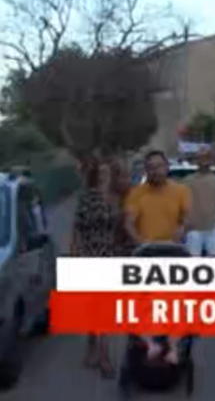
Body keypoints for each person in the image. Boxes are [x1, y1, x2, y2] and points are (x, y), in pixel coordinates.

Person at [70, 159, 120, 377]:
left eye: (107, 172)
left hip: (109, 255)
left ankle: (101, 354)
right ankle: (97, 351)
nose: (104, 176)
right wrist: (74, 254)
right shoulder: (87, 198)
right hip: (89, 254)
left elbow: (118, 229)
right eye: (100, 172)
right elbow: (76, 227)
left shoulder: (114, 198)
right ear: (95, 175)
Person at [122, 150, 192, 245]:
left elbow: (187, 219)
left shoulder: (181, 191)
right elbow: (128, 224)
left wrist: (182, 229)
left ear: (167, 167)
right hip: (146, 247)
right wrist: (140, 241)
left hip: (172, 246)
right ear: (146, 171)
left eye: (159, 166)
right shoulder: (136, 193)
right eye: (151, 167)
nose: (155, 171)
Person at [182, 146, 215, 256]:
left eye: (207, 157)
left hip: (213, 228)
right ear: (196, 160)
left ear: (211, 160)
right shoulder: (187, 181)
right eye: (201, 157)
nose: (204, 160)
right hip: (193, 230)